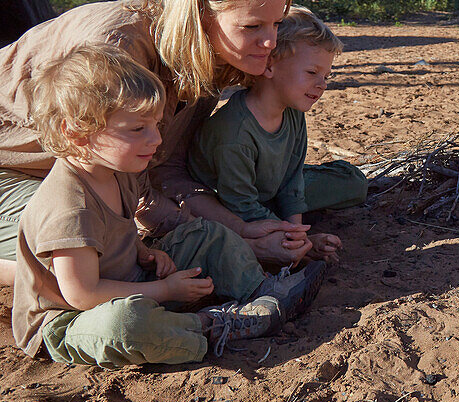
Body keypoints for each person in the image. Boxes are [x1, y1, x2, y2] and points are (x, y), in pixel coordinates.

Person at [0, 0, 314, 288]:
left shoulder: (205, 59)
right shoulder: (114, 51)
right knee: (98, 256)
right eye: (252, 25)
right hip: (16, 172)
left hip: (77, 176)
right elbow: (133, 196)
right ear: (200, 13)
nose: (270, 41)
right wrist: (241, 242)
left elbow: (165, 169)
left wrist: (240, 228)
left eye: (276, 23)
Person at [12, 46, 325, 368]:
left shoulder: (118, 171)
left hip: (132, 282)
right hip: (72, 322)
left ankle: (263, 292)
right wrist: (163, 289)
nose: (156, 140)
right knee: (126, 325)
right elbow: (82, 294)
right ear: (77, 132)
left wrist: (144, 253)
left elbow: (118, 230)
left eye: (156, 126)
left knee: (205, 234)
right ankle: (213, 325)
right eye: (138, 129)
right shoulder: (69, 207)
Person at [187, 7, 369, 263]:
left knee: (355, 183)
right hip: (231, 209)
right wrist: (304, 243)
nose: (322, 84)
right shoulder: (234, 132)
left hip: (268, 195)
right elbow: (240, 204)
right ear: (269, 65)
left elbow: (292, 181)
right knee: (256, 236)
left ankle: (283, 227)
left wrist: (296, 229)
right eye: (312, 72)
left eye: (326, 76)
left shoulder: (293, 111)